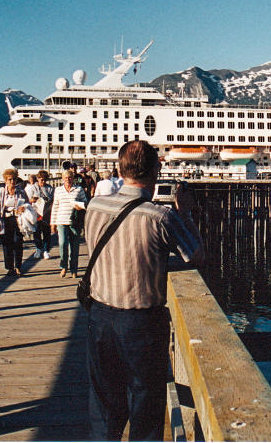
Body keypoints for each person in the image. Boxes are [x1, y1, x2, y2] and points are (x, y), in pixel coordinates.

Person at [84, 140, 203, 441]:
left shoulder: (94, 207)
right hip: (142, 324)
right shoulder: (160, 217)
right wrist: (185, 213)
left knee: (104, 405)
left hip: (99, 316)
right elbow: (195, 255)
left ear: (121, 169)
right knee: (146, 406)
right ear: (156, 170)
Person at [50, 169, 87, 278]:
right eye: (65, 178)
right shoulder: (58, 190)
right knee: (62, 244)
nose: (68, 179)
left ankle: (74, 269)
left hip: (74, 222)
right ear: (62, 179)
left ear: (73, 178)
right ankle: (63, 266)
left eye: (70, 177)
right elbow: (55, 206)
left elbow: (85, 203)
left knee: (74, 247)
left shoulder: (78, 189)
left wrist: (79, 206)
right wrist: (53, 223)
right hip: (61, 221)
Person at [0, 168, 29, 277]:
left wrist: (23, 208)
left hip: (18, 220)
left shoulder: (21, 192)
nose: (12, 182)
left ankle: (18, 266)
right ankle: (9, 267)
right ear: (5, 181)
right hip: (6, 220)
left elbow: (27, 205)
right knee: (7, 244)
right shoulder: (1, 193)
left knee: (18, 242)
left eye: (14, 179)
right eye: (9, 180)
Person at [26, 170, 54, 259]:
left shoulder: (50, 188)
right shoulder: (32, 188)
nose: (43, 182)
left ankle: (46, 250)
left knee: (46, 232)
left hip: (46, 212)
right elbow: (28, 200)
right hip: (36, 212)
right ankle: (38, 248)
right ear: (38, 179)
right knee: (36, 231)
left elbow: (53, 199)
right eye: (41, 180)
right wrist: (32, 200)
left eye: (45, 180)